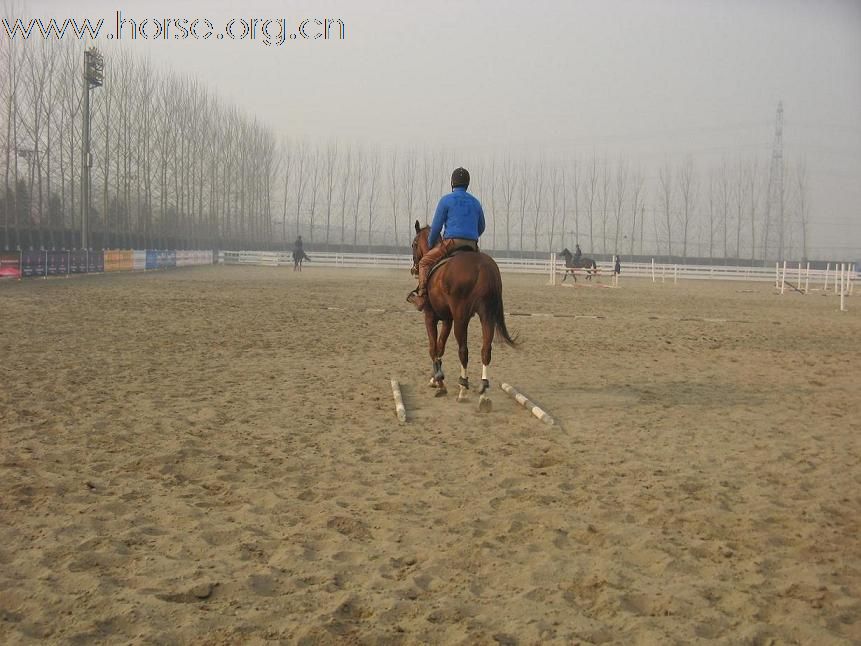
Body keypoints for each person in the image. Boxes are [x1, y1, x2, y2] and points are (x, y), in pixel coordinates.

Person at [409, 167, 485, 310]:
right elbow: (481, 227)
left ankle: (422, 296)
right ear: (467, 184)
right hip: (472, 245)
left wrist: (431, 244)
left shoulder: (446, 200)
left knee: (424, 263)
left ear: (452, 183)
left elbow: (436, 227)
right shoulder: (475, 202)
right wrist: (471, 237)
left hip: (452, 243)